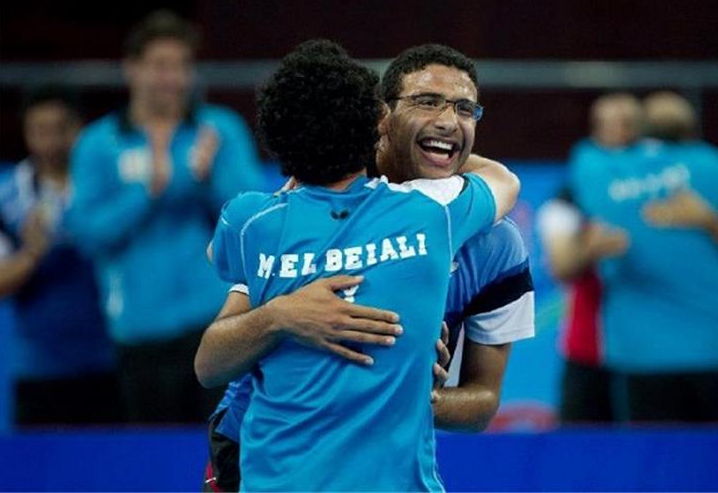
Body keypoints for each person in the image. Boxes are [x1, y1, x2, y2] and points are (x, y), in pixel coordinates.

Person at [195, 43, 532, 491]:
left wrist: (413, 390)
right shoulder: (294, 213)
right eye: (427, 102)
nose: (448, 120)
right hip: (255, 448)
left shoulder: (496, 245)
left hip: (380, 463)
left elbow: (483, 402)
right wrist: (281, 315)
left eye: (465, 109)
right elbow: (212, 358)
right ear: (382, 116)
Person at [68, 11, 265, 423]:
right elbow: (87, 235)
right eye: (160, 65)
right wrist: (147, 193)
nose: (172, 78)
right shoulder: (98, 143)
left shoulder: (219, 130)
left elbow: (256, 220)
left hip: (215, 323)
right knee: (153, 454)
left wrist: (209, 179)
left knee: (222, 451)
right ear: (132, 68)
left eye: (181, 66)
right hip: (139, 330)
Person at [568, 90, 718, 422]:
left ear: (638, 129)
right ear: (692, 132)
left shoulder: (596, 167)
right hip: (715, 348)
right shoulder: (714, 166)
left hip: (641, 354)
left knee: (654, 454)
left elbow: (587, 156)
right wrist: (710, 220)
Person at [0, 85, 121, 425]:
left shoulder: (108, 187)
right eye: (40, 131)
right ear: (25, 132)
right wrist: (32, 253)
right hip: (39, 369)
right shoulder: (7, 197)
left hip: (111, 360)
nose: (51, 143)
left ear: (80, 128)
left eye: (60, 129)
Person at [536, 93, 637, 423]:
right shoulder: (566, 202)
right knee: (582, 448)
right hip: (589, 351)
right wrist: (592, 248)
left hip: (653, 353)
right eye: (607, 125)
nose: (619, 133)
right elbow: (562, 267)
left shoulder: (666, 192)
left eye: (628, 124)